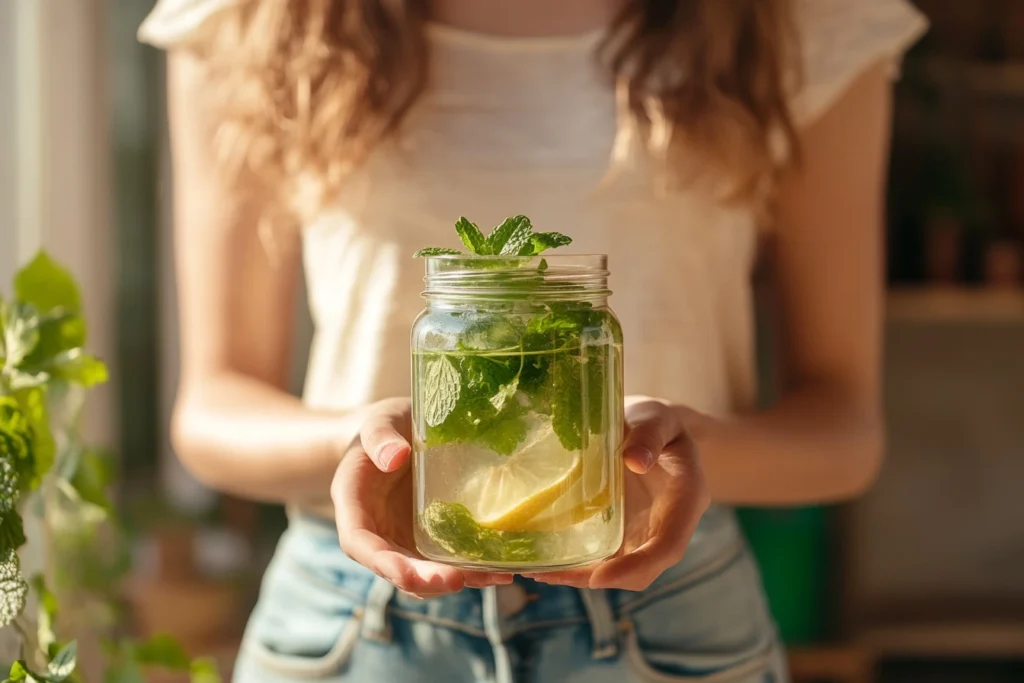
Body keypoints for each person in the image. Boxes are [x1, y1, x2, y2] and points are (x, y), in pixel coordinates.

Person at [139, 0, 926, 680]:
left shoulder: (794, 18)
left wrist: (679, 448)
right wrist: (361, 439)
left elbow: (844, 429)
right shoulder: (259, 15)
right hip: (353, 622)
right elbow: (210, 409)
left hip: (668, 617)